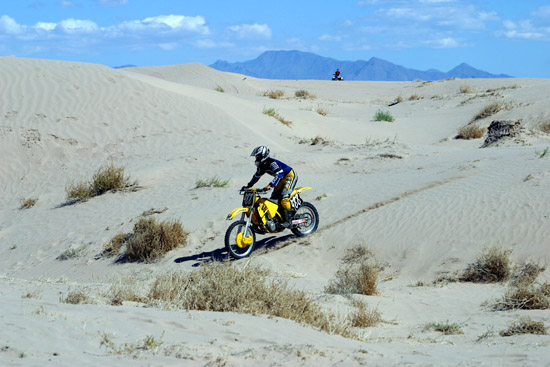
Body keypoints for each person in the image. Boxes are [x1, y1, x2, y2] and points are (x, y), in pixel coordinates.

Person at [241, 146, 298, 227]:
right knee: (274, 199)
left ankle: (290, 220)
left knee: (284, 198)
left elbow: (279, 175)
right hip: (281, 179)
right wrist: (248, 186)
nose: (256, 158)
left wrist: (270, 185)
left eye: (258, 156)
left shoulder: (272, 163)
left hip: (289, 175)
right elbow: (256, 177)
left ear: (264, 156)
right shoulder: (262, 166)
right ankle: (279, 218)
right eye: (256, 157)